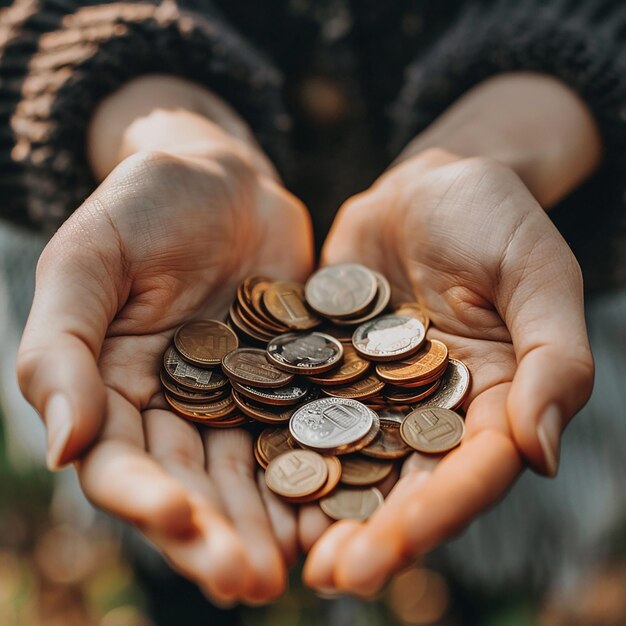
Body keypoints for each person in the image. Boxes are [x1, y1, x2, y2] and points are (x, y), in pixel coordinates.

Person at [1, 0, 625, 612]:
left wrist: (513, 139)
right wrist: (159, 122)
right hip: (138, 306)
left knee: (473, 541)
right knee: (180, 542)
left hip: (489, 316)